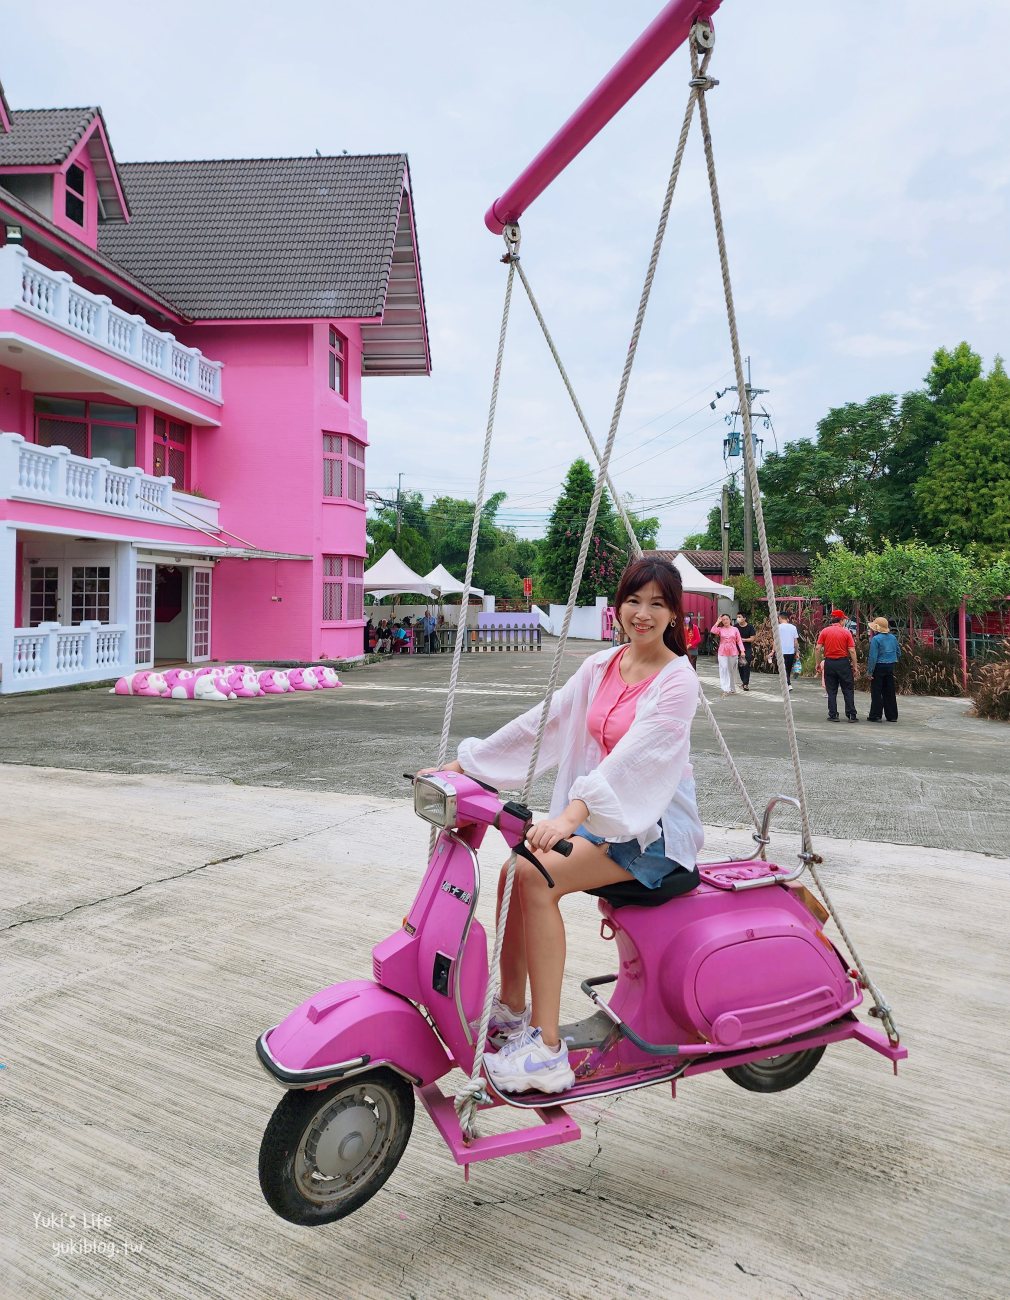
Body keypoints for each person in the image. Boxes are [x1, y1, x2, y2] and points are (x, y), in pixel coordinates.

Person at [421, 558, 703, 1094]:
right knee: (512, 874)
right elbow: (546, 720)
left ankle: (549, 1052)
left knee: (535, 876)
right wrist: (470, 764)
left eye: (657, 605)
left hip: (653, 830)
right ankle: (511, 1012)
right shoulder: (601, 666)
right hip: (601, 817)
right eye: (633, 601)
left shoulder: (678, 681)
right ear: (618, 606)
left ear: (673, 614)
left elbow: (637, 761)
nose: (642, 614)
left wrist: (572, 815)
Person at [815, 609, 859, 722]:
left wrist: (818, 663)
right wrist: (855, 666)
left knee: (831, 690)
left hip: (829, 663)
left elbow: (818, 648)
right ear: (841, 620)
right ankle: (851, 715)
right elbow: (852, 650)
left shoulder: (824, 631)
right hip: (843, 663)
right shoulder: (846, 632)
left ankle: (833, 714)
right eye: (844, 619)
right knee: (848, 689)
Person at [866, 616, 900, 723]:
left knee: (876, 691)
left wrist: (870, 672)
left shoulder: (875, 639)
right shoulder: (893, 638)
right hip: (890, 665)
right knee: (889, 691)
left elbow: (873, 657)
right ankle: (892, 716)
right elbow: (899, 652)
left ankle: (875, 715)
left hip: (879, 666)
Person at [710, 614, 745, 696]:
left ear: (730, 620)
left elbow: (739, 641)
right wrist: (717, 622)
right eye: (723, 619)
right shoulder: (720, 629)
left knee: (732, 671)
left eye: (727, 619)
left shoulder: (735, 629)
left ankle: (732, 688)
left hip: (733, 652)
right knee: (724, 669)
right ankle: (725, 688)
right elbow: (712, 630)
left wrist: (742, 651)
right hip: (722, 652)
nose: (725, 621)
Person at [776, 610, 800, 691]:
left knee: (782, 668)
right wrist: (797, 651)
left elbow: (775, 641)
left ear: (780, 618)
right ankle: (788, 683)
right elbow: (795, 642)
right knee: (788, 668)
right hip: (790, 651)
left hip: (780, 652)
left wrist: (772, 651)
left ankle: (787, 683)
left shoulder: (777, 627)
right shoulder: (793, 627)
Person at [734, 612, 755, 691]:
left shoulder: (750, 627)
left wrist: (743, 640)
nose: (738, 618)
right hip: (737, 649)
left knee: (746, 666)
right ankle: (743, 682)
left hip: (747, 649)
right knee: (740, 666)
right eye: (737, 617)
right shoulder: (735, 627)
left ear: (744, 618)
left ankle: (746, 684)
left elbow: (752, 638)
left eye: (739, 617)